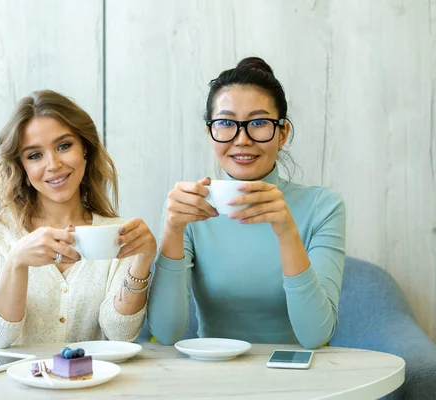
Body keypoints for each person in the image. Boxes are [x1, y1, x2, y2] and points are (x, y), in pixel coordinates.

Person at [147, 57, 346, 349]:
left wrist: (286, 230)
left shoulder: (323, 206)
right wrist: (172, 231)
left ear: (282, 133)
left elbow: (315, 336)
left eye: (259, 123)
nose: (242, 139)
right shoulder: (188, 207)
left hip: (297, 378)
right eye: (226, 123)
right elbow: (166, 333)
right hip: (215, 378)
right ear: (210, 132)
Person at [0, 90, 156, 348]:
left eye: (64, 146)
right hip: (20, 385)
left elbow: (120, 333)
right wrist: (17, 261)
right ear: (23, 167)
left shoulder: (117, 233)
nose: (53, 164)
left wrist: (142, 260)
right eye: (35, 155)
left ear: (85, 149)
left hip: (94, 382)